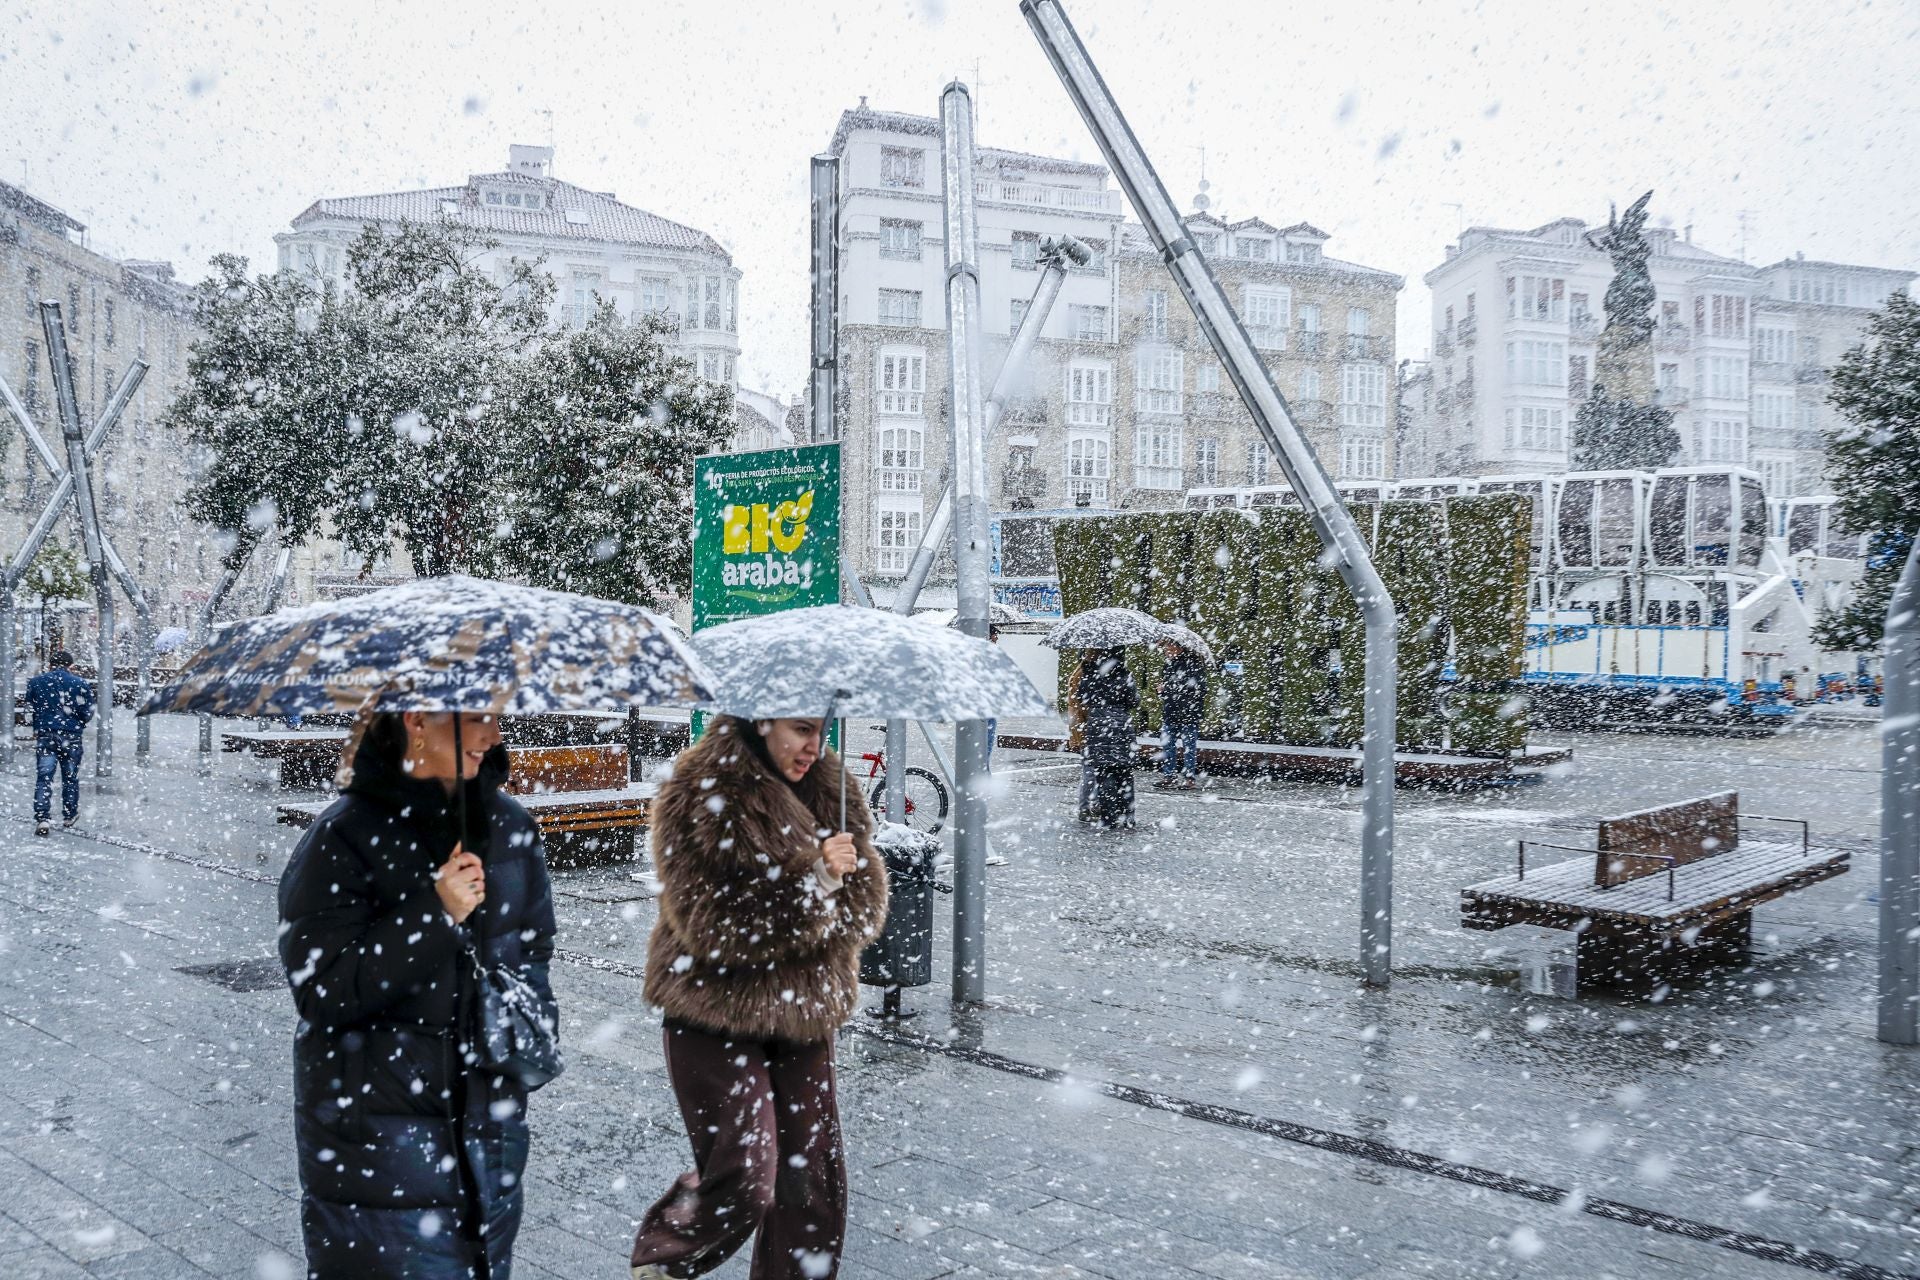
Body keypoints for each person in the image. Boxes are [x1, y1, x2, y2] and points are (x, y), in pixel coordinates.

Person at [278, 710, 556, 1279]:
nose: (494, 736)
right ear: (418, 720)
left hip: (488, 1129)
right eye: (477, 718)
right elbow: (322, 991)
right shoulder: (344, 834)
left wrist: (525, 1027)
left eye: (498, 717)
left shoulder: (510, 827)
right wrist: (437, 912)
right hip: (378, 1141)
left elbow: (532, 949)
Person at [631, 715, 888, 1280]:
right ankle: (667, 1255)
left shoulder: (832, 788)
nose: (813, 746)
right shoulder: (701, 790)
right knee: (746, 1171)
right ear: (763, 720)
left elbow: (864, 913)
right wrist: (813, 883)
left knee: (811, 1186)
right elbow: (712, 928)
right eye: (801, 729)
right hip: (712, 1008)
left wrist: (845, 881)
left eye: (821, 731)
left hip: (806, 1010)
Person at [25, 649, 95, 836]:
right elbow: (88, 711)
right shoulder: (80, 683)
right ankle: (69, 815)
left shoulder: (36, 682)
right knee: (70, 777)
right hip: (71, 736)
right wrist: (77, 722)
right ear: (71, 666)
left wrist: (39, 724)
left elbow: (30, 708)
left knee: (44, 777)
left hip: (46, 735)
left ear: (50, 665)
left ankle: (42, 818)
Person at [1077, 648, 1140, 830]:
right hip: (1121, 725)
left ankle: (1109, 816)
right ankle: (1128, 815)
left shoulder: (1090, 673)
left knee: (1104, 772)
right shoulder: (1124, 673)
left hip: (1098, 726)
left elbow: (1082, 698)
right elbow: (1134, 701)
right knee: (1125, 773)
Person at [1154, 641, 1208, 790]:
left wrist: (1168, 688)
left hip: (1188, 713)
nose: (1165, 650)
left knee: (1188, 746)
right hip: (1172, 711)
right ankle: (1170, 776)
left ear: (1178, 648)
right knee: (1168, 745)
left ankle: (1188, 778)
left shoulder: (1193, 665)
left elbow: (1198, 689)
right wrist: (1162, 690)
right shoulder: (1169, 665)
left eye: (1168, 647)